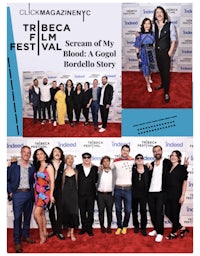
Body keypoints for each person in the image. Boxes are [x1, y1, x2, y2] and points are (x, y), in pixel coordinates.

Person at [7, 146, 35, 253]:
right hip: (17, 194)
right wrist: (10, 192)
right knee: (18, 218)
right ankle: (17, 242)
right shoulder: (13, 165)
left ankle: (26, 236)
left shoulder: (32, 167)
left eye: (28, 153)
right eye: (24, 152)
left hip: (29, 194)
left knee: (27, 217)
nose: (26, 154)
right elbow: (7, 179)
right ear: (21, 152)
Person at [147, 145, 172, 242]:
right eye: (155, 151)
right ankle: (156, 229)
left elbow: (175, 168)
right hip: (150, 192)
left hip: (161, 192)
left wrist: (185, 166)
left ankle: (160, 233)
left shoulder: (166, 162)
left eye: (158, 150)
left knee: (159, 213)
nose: (157, 152)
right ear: (153, 153)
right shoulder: (151, 164)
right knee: (152, 213)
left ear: (161, 151)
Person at [153, 6, 177, 103]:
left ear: (164, 14)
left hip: (166, 52)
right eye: (157, 12)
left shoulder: (170, 25)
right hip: (157, 52)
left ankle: (166, 92)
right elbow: (146, 34)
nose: (159, 14)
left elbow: (173, 40)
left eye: (161, 12)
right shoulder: (153, 25)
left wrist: (170, 51)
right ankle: (163, 84)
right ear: (155, 15)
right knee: (161, 70)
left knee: (166, 73)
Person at [165, 150, 189, 239]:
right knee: (167, 212)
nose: (173, 157)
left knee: (175, 214)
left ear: (179, 158)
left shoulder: (182, 168)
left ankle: (174, 233)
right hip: (167, 194)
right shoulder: (168, 166)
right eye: (172, 155)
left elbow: (185, 182)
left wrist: (182, 195)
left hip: (177, 194)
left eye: (175, 156)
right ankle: (181, 227)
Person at [33, 148, 55, 244]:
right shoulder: (37, 166)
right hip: (37, 193)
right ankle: (45, 232)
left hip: (45, 193)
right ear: (36, 157)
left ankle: (42, 234)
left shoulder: (49, 166)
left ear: (45, 155)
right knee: (41, 214)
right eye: (37, 154)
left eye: (41, 153)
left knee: (36, 214)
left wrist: (51, 195)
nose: (40, 155)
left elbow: (52, 181)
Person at [112, 144, 134, 235]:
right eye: (123, 150)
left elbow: (141, 165)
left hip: (128, 189)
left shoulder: (132, 160)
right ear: (121, 150)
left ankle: (125, 226)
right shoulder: (115, 161)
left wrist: (148, 164)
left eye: (127, 150)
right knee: (118, 209)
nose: (125, 152)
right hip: (117, 189)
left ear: (129, 152)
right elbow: (107, 168)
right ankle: (119, 226)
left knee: (128, 210)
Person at [76, 152, 98, 236]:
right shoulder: (78, 167)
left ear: (90, 158)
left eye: (88, 157)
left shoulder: (95, 168)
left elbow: (96, 180)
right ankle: (83, 227)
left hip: (91, 195)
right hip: (80, 194)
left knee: (90, 212)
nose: (86, 159)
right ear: (82, 159)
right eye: (84, 157)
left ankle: (89, 228)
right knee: (82, 212)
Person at [48, 147, 65, 240]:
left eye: (59, 151)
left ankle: (59, 231)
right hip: (48, 190)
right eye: (55, 151)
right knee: (50, 210)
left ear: (61, 154)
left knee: (60, 211)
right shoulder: (48, 163)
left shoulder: (64, 164)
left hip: (59, 190)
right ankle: (54, 230)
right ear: (52, 153)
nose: (57, 153)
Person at [134, 18, 155, 93]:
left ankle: (149, 77)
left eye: (148, 23)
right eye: (145, 23)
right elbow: (137, 47)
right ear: (143, 25)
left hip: (151, 52)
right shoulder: (139, 35)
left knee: (150, 67)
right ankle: (148, 84)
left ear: (150, 25)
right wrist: (138, 57)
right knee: (145, 69)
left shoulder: (153, 34)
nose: (147, 25)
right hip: (143, 53)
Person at [62, 155, 79, 241]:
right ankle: (68, 230)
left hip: (74, 195)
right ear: (65, 160)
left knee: (73, 213)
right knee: (67, 213)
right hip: (65, 196)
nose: (70, 160)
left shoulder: (76, 171)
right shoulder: (63, 172)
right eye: (68, 158)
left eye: (71, 158)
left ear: (73, 161)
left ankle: (72, 232)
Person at [132, 154, 150, 236]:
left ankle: (143, 227)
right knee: (134, 211)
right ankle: (136, 226)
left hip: (144, 194)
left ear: (143, 160)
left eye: (141, 158)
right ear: (135, 160)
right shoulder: (132, 168)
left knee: (143, 211)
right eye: (137, 158)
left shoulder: (148, 168)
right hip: (133, 194)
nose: (139, 159)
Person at [96, 156, 115, 234]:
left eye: (107, 161)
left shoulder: (114, 171)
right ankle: (102, 227)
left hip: (110, 195)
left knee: (109, 211)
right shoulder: (99, 171)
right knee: (101, 211)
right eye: (104, 161)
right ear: (102, 163)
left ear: (109, 162)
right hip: (100, 195)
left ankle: (109, 227)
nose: (106, 162)